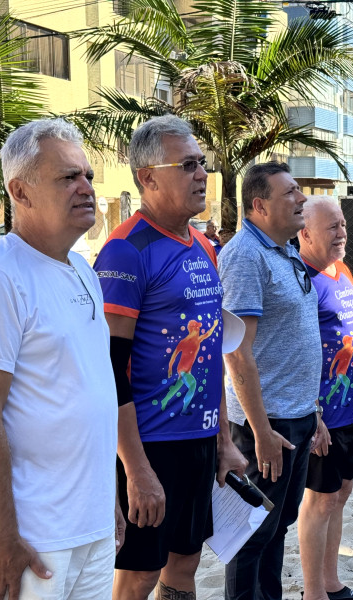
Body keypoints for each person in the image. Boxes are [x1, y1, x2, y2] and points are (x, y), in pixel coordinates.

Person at [0, 118, 124, 600]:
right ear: (20, 192)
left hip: (88, 525)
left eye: (87, 175)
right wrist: (1, 538)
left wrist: (104, 497)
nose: (86, 187)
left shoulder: (82, 271)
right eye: (68, 177)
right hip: (31, 537)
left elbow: (89, 392)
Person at [92, 114, 246, 600]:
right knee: (138, 572)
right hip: (149, 443)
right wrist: (135, 469)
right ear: (148, 178)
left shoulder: (204, 246)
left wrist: (222, 439)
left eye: (203, 164)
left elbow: (212, 357)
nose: (202, 174)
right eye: (188, 165)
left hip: (198, 439)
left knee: (186, 563)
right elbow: (110, 369)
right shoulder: (124, 251)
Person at [219, 161, 323, 600]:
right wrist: (261, 432)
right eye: (291, 193)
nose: (302, 199)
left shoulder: (284, 249)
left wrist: (313, 413)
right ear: (259, 206)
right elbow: (236, 353)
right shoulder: (245, 256)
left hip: (296, 418)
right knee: (250, 536)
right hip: (269, 425)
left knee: (277, 526)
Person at [296, 196, 353, 600]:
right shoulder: (302, 280)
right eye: (332, 227)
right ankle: (313, 593)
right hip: (323, 413)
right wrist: (314, 416)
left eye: (342, 224)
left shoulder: (341, 270)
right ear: (305, 233)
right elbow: (298, 352)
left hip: (351, 407)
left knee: (342, 493)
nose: (342, 232)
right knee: (321, 500)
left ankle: (331, 583)